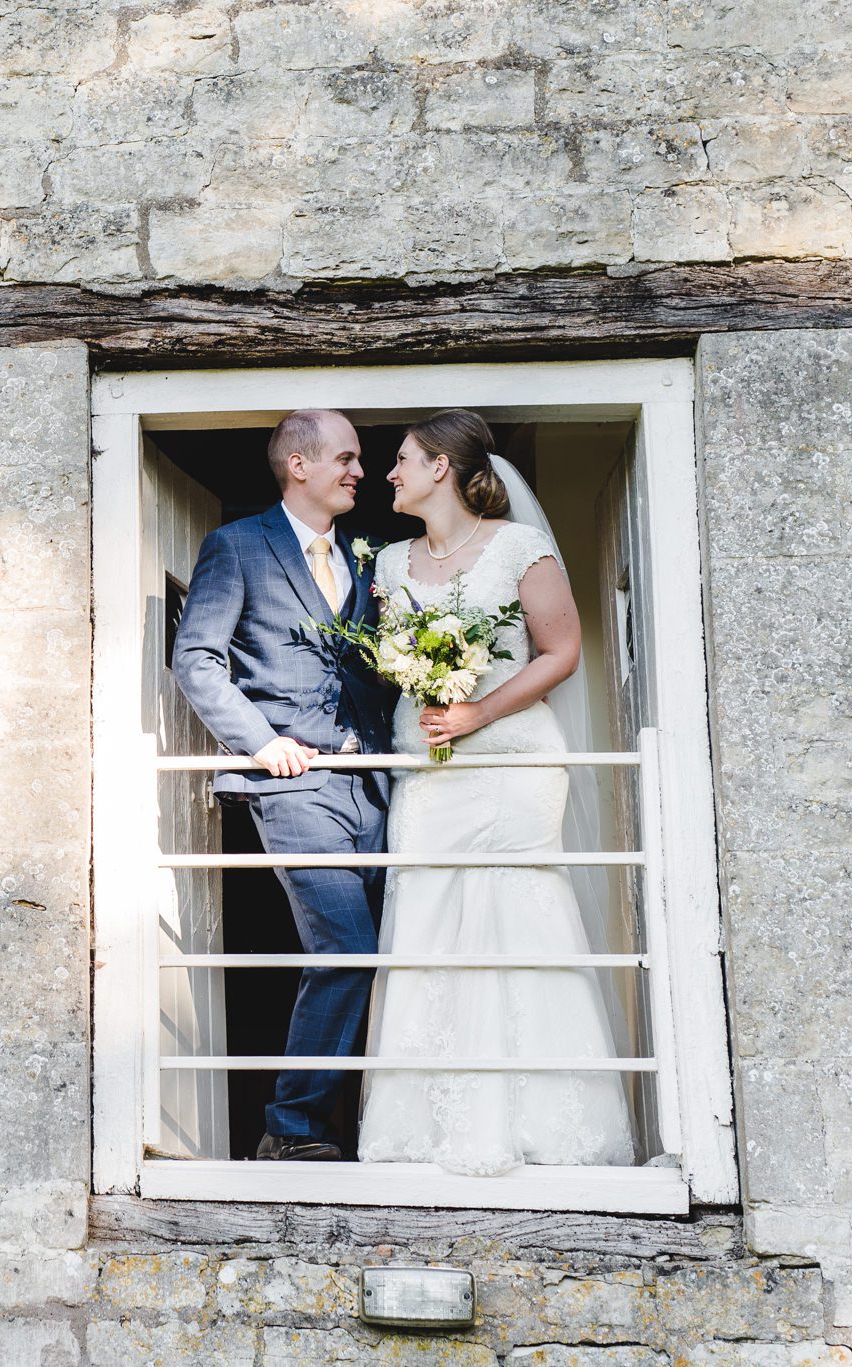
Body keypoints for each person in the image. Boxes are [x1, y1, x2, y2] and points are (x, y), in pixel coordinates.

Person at [356, 409, 634, 1173]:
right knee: (430, 920)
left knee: (518, 916)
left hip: (511, 764)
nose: (390, 473)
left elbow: (563, 650)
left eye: (403, 459)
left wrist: (477, 708)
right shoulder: (387, 563)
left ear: (441, 467)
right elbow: (390, 663)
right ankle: (430, 1129)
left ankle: (547, 1126)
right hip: (431, 768)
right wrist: (420, 677)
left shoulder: (518, 547)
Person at [171, 408, 395, 1161]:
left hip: (376, 782)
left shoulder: (369, 561)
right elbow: (196, 659)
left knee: (402, 948)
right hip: (293, 783)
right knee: (346, 947)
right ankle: (291, 1129)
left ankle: (384, 1125)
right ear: (299, 465)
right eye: (346, 457)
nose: (359, 470)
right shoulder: (237, 546)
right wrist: (263, 744)